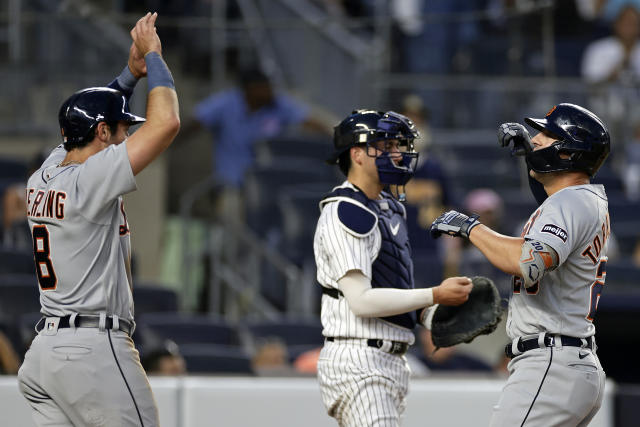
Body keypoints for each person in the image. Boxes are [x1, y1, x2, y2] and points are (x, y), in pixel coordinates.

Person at [17, 12, 179, 427]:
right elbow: (167, 123)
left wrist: (129, 74)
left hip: (45, 356)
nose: (126, 137)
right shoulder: (92, 178)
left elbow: (86, 119)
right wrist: (155, 59)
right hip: (94, 351)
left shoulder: (47, 171)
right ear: (103, 133)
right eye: (122, 128)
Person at [431, 103, 609, 426]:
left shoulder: (571, 201)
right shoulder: (583, 199)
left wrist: (471, 227)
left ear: (569, 153)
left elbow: (529, 262)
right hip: (572, 359)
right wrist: (532, 153)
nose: (537, 138)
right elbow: (551, 205)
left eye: (548, 134)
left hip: (551, 362)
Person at [313, 109, 473, 426]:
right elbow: (361, 301)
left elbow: (394, 290)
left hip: (389, 359)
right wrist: (435, 293)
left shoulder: (389, 208)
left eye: (399, 146)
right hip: (359, 358)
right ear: (357, 154)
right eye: (386, 147)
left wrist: (436, 317)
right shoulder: (345, 210)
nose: (398, 154)